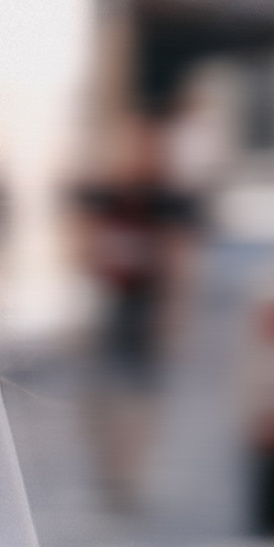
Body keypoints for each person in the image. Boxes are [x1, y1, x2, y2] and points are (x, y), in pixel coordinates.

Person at [68, 96, 203, 516]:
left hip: (146, 300)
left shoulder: (165, 197)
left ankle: (132, 471)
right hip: (111, 297)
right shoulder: (106, 192)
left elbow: (177, 254)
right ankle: (114, 468)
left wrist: (173, 310)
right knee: (105, 391)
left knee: (141, 392)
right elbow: (83, 238)